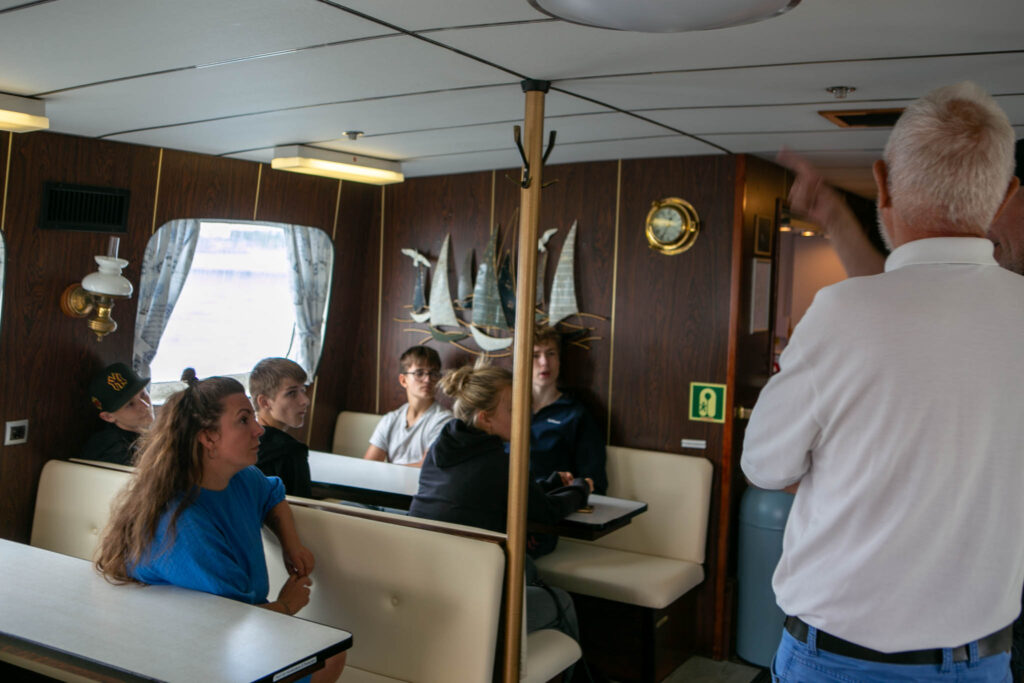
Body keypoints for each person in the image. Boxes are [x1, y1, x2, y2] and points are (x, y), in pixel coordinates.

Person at [743, 82, 1024, 681]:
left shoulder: (842, 315)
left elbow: (766, 467)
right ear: (1005, 195)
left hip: (837, 660)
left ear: (882, 182)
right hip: (982, 661)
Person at [94, 369, 345, 683]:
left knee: (329, 653)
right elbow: (227, 625)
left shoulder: (239, 476)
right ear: (208, 438)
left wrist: (290, 543)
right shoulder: (185, 526)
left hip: (220, 632)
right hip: (180, 652)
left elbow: (272, 494)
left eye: (253, 417)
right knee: (328, 655)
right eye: (243, 420)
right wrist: (286, 605)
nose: (258, 430)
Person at [408, 362, 591, 649]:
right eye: (512, 409)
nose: (524, 415)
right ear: (485, 419)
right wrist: (582, 489)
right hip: (468, 604)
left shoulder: (439, 453)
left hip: (424, 588)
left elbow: (504, 493)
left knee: (527, 569)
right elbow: (547, 512)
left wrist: (551, 482)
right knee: (562, 601)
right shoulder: (502, 466)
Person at [529, 326, 608, 494]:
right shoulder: (507, 409)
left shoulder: (575, 415)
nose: (544, 362)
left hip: (552, 505)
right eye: (535, 355)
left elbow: (594, 481)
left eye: (551, 354)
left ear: (559, 360)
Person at [363, 345, 451, 467]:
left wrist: (385, 471)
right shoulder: (390, 420)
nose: (427, 379)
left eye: (433, 374)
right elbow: (368, 465)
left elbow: (426, 468)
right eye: (419, 373)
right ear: (403, 380)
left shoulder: (445, 421)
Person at [251, 357, 313, 497]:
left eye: (303, 390)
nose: (305, 401)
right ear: (265, 402)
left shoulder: (241, 444)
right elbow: (302, 510)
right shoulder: (292, 452)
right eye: (291, 393)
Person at [78, 362, 154, 465]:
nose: (145, 405)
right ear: (108, 417)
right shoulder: (112, 450)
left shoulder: (140, 436)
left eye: (143, 394)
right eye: (130, 404)